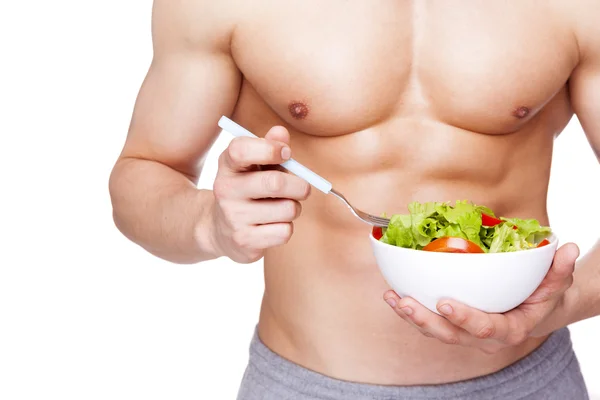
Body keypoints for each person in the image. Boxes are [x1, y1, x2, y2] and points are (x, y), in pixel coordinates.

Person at [109, 1, 600, 399]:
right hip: (303, 386)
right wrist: (207, 223)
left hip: (530, 382)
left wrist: (568, 302)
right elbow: (143, 173)